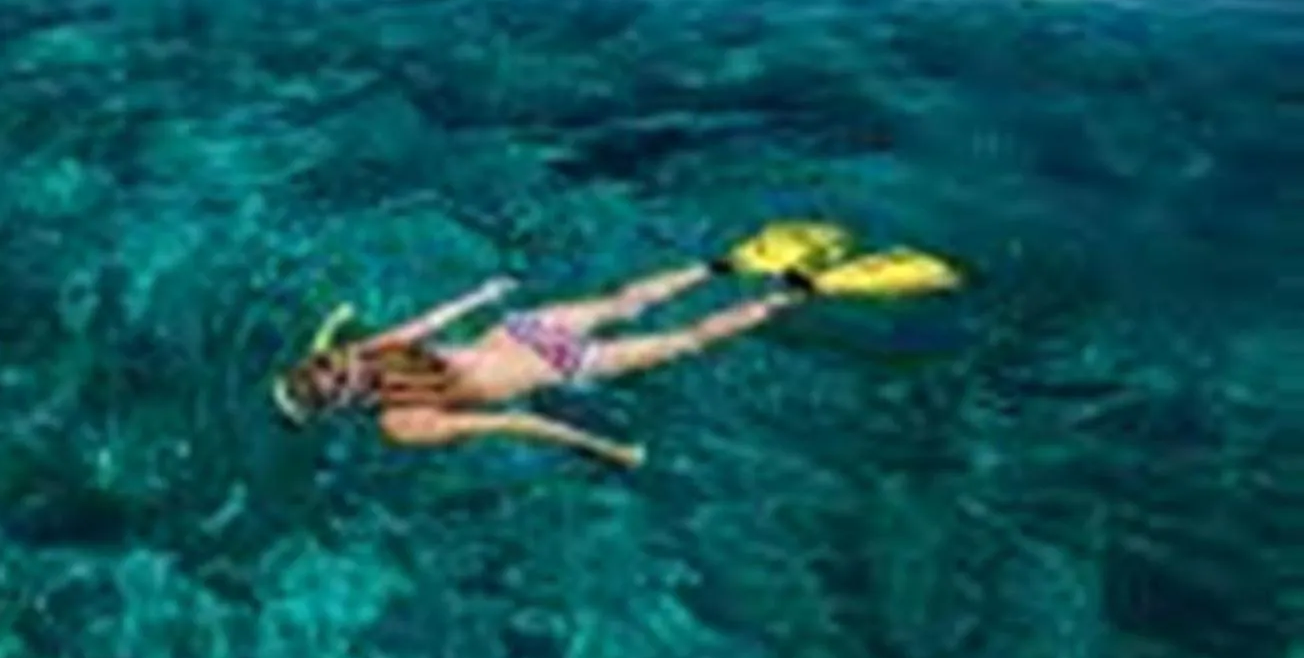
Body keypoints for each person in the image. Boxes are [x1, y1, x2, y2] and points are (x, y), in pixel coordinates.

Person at [269, 222, 959, 469]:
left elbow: (515, 420)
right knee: (631, 300)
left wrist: (607, 450)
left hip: (565, 366)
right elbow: (429, 320)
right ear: (336, 365)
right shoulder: (375, 348)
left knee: (688, 339)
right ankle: (730, 262)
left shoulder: (400, 424)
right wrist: (484, 296)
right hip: (523, 327)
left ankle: (805, 289)